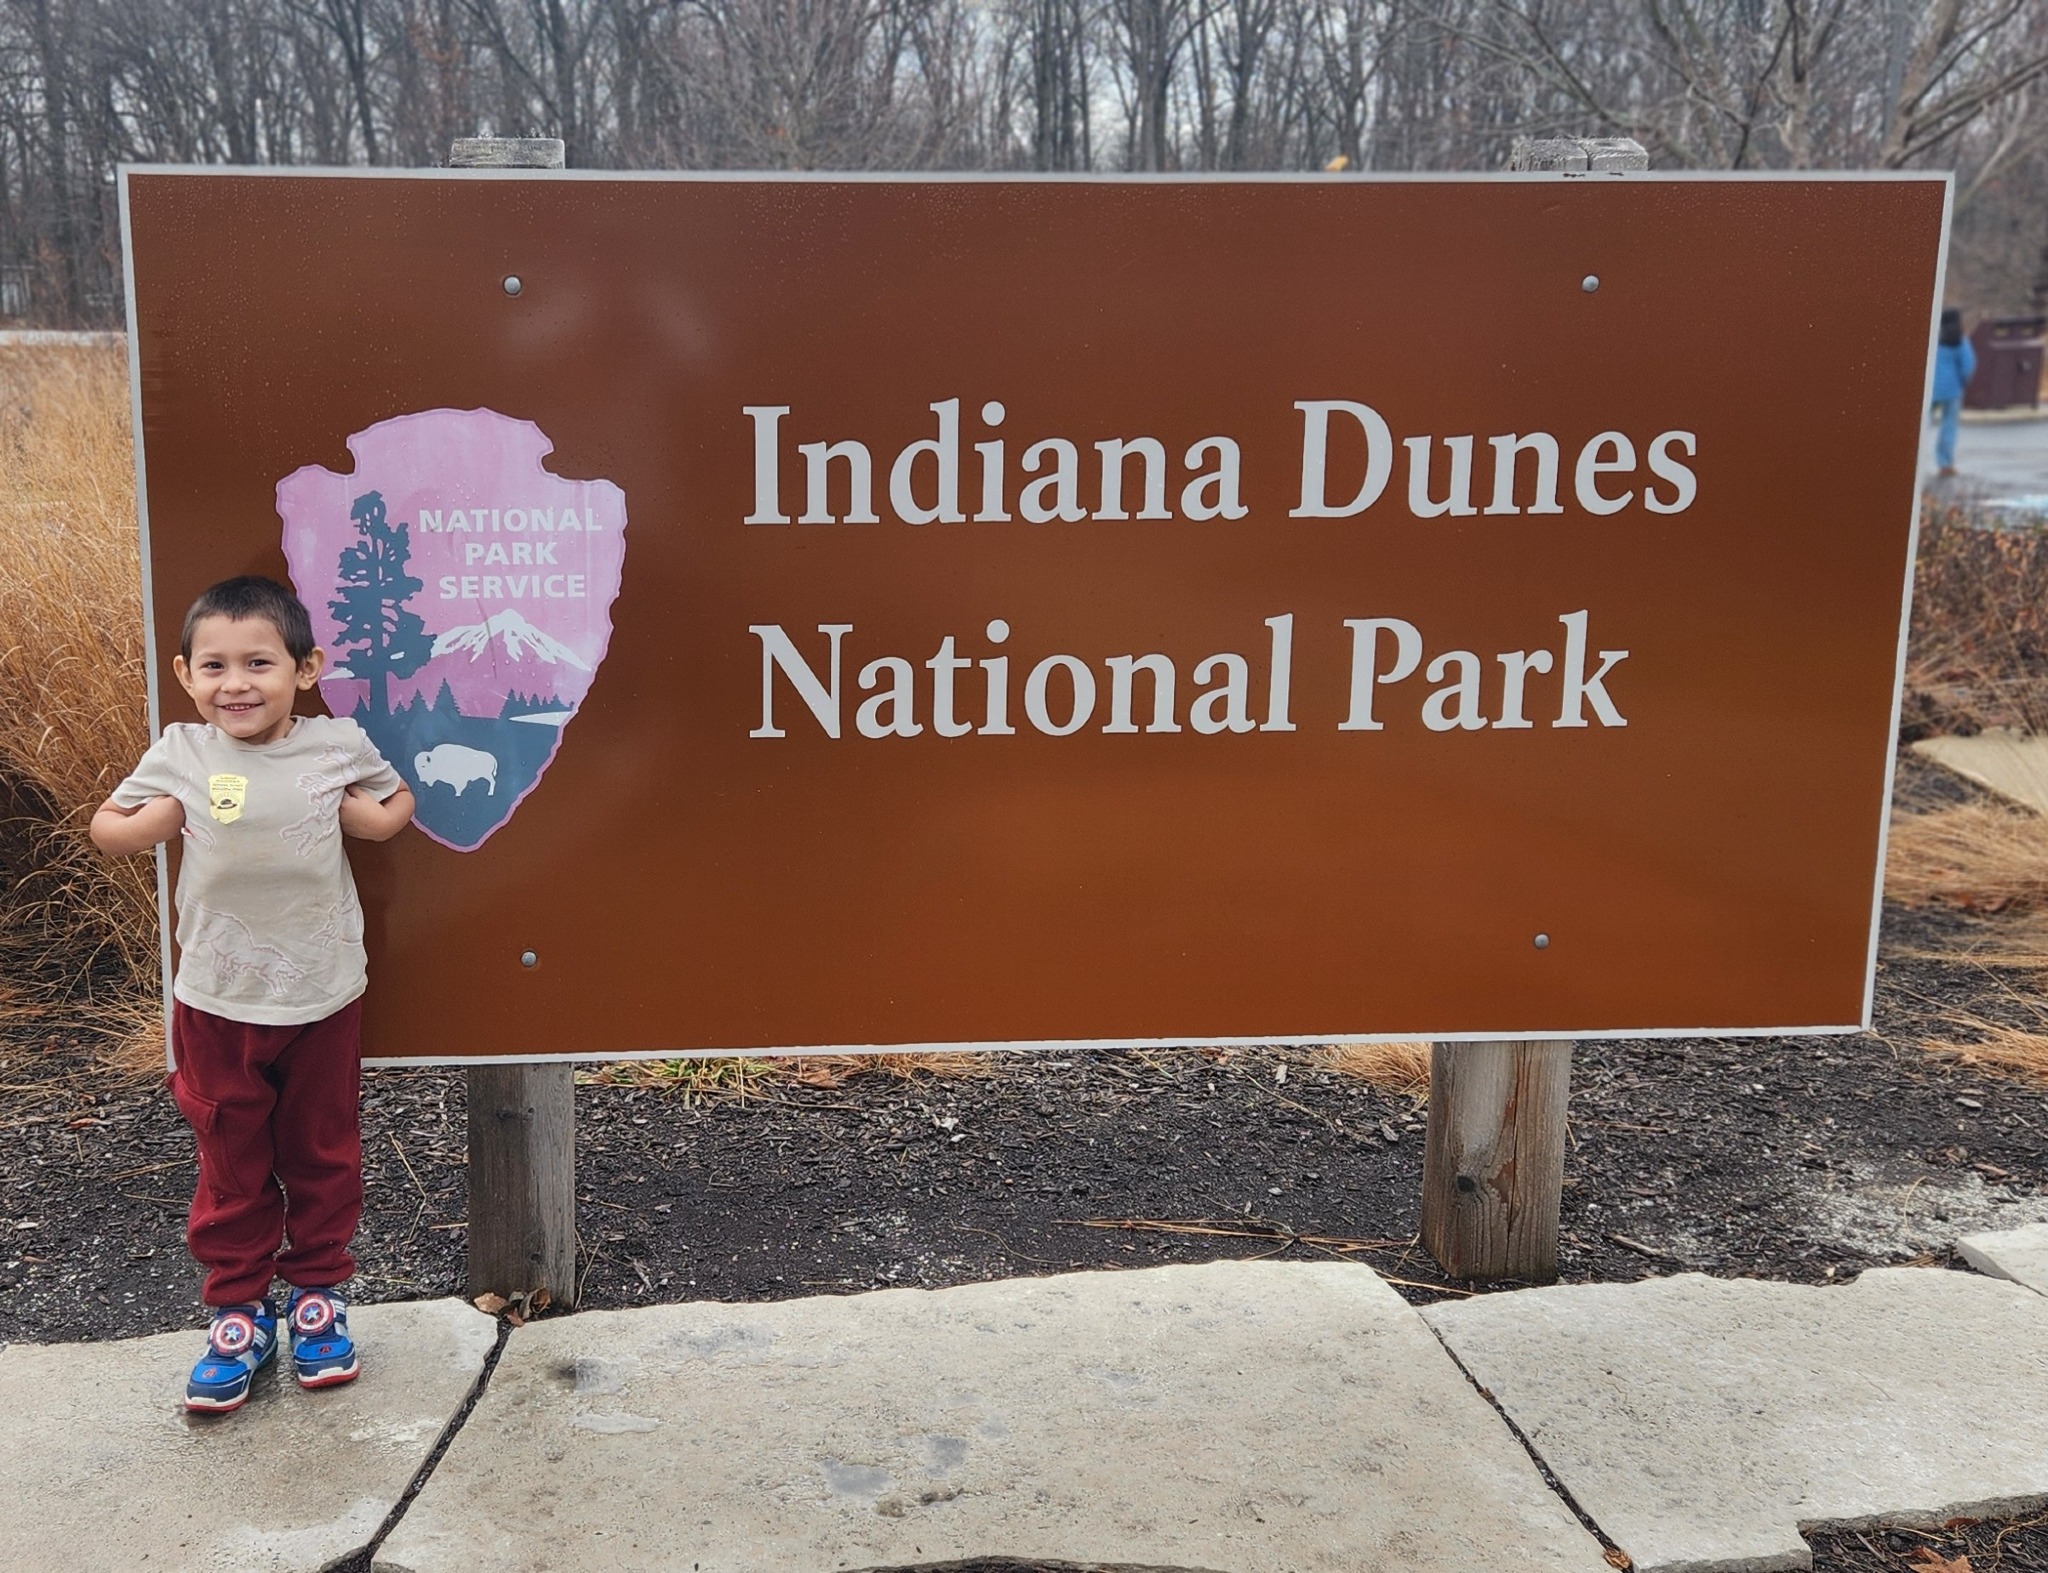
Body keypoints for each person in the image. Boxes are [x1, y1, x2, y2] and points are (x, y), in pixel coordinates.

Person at [90, 576, 414, 1413]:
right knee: (231, 1158)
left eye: (259, 663)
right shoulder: (182, 753)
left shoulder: (335, 744)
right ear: (186, 673)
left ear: (306, 668)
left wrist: (374, 820)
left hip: (322, 996)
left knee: (323, 1150)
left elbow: (395, 797)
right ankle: (238, 1308)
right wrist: (156, 822)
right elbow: (106, 826)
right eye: (215, 665)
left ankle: (318, 1295)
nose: (236, 683)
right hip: (217, 999)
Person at [1931, 307, 1977, 478]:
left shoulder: (1933, 337)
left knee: (1921, 425)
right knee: (1948, 427)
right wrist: (1962, 383)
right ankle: (1945, 463)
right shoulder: (1960, 340)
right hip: (1952, 390)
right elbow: (1968, 366)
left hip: (1931, 390)